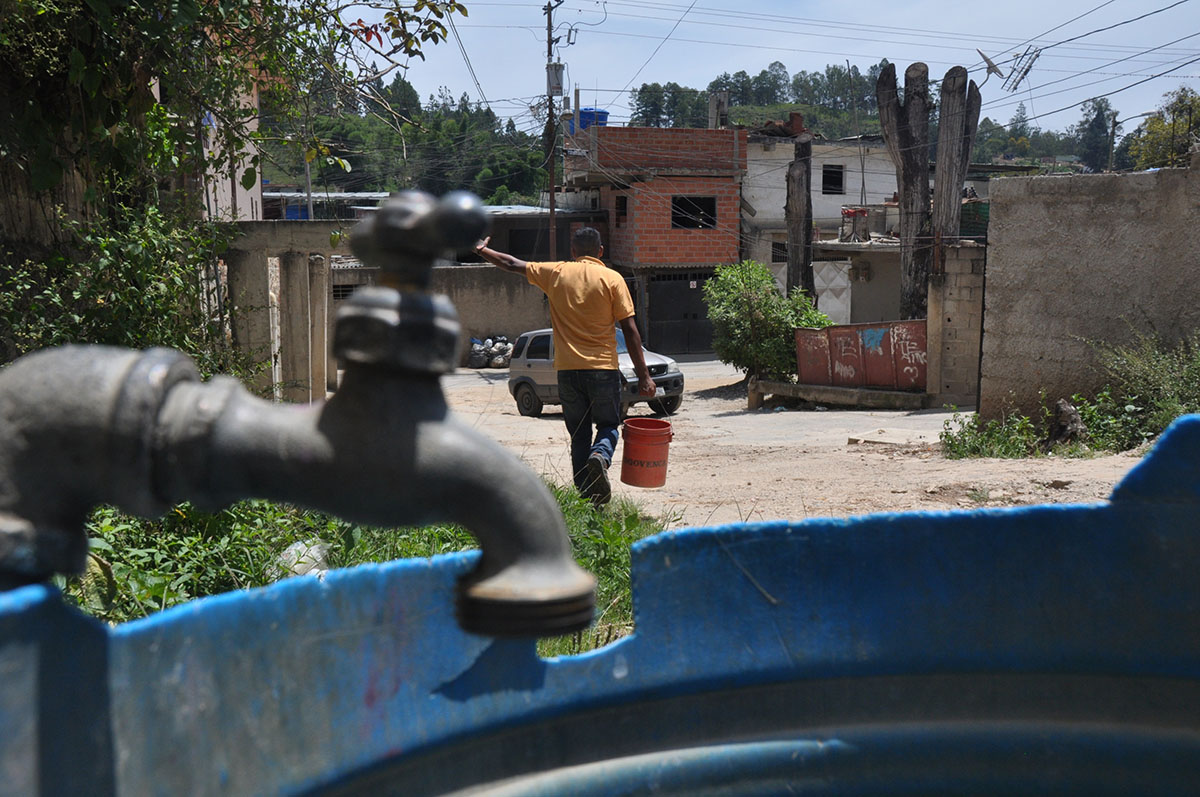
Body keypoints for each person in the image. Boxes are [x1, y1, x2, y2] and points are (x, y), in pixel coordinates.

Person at [474, 227, 655, 505]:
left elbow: (511, 263)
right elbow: (630, 330)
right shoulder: (613, 278)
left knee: (579, 435)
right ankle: (601, 456)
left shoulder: (556, 273)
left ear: (573, 251)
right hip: (603, 370)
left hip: (568, 372)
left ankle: (587, 500)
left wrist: (482, 250)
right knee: (608, 424)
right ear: (601, 252)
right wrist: (644, 377)